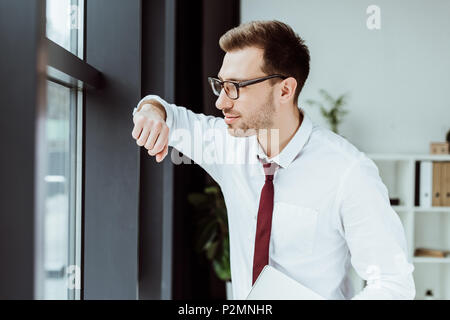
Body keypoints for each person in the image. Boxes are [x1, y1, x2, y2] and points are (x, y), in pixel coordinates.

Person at [131, 20, 415, 300]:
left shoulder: (348, 172)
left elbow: (392, 283)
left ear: (284, 90)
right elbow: (165, 111)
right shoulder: (229, 144)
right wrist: (151, 113)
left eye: (236, 87)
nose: (221, 102)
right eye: (221, 85)